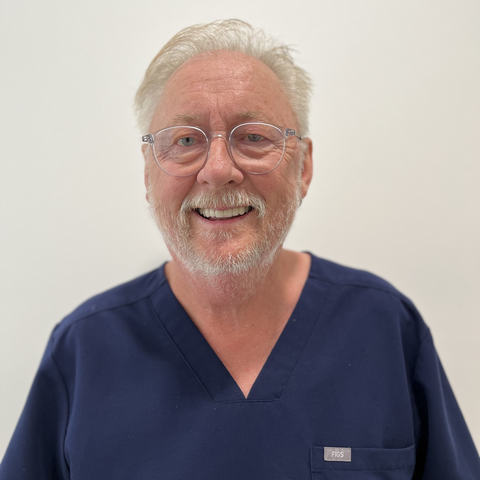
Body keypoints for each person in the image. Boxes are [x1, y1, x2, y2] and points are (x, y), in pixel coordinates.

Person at [1, 19, 479, 480]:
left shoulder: (385, 328)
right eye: (185, 140)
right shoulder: (84, 349)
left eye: (253, 137)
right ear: (148, 172)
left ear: (303, 167)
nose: (217, 170)